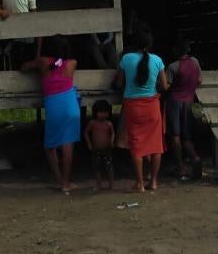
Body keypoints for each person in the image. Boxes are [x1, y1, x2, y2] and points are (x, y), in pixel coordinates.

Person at [20, 35, 80, 193]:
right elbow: (60, 63)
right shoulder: (72, 63)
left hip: (54, 105)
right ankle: (66, 182)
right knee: (68, 144)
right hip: (70, 103)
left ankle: (59, 180)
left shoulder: (43, 62)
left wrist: (38, 52)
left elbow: (24, 67)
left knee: (50, 146)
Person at [115, 32, 168, 192]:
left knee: (136, 144)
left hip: (132, 107)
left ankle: (139, 184)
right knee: (156, 146)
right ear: (150, 45)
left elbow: (119, 83)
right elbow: (164, 87)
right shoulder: (158, 60)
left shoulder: (126, 59)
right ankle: (153, 182)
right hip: (152, 106)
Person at [165, 39, 203, 180]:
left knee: (175, 135)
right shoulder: (195, 62)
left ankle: (179, 166)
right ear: (188, 50)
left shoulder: (172, 67)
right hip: (189, 101)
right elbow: (199, 81)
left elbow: (166, 87)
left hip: (174, 101)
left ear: (175, 50)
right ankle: (195, 159)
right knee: (186, 136)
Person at [84, 99, 115, 191]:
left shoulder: (109, 123)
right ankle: (99, 184)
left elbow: (113, 133)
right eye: (100, 112)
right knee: (96, 168)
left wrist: (111, 141)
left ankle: (111, 184)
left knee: (109, 167)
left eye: (105, 112)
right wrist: (89, 143)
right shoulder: (92, 123)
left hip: (107, 149)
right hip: (95, 149)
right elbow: (85, 132)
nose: (103, 115)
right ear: (95, 112)